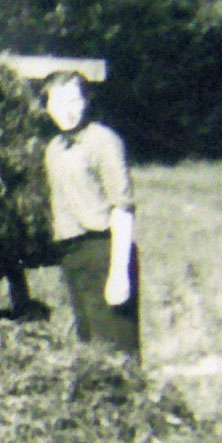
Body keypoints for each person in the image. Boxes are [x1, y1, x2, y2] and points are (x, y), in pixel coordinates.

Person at [41, 71, 138, 358]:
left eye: (74, 100)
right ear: (47, 106)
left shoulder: (104, 141)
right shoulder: (54, 149)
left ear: (86, 101)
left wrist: (119, 272)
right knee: (88, 353)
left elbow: (123, 207)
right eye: (59, 102)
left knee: (117, 351)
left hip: (103, 251)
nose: (67, 110)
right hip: (72, 254)